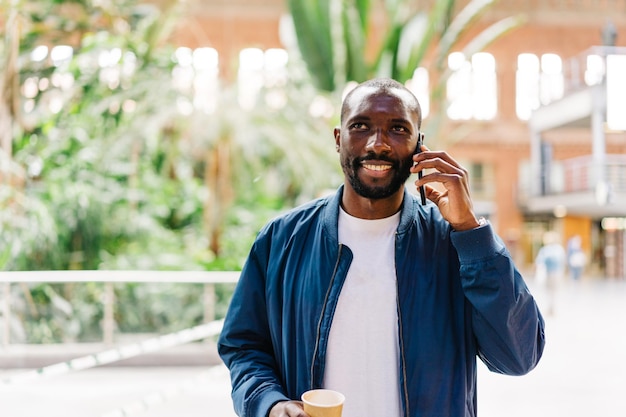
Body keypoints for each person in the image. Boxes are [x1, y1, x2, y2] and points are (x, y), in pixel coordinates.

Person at [218, 78, 545, 417]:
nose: (378, 144)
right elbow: (243, 347)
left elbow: (518, 356)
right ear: (338, 139)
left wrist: (470, 230)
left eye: (398, 129)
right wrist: (270, 404)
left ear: (420, 145)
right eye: (360, 126)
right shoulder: (282, 241)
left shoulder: (455, 245)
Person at [535, 231, 566, 315]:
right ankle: (551, 307)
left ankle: (552, 308)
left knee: (551, 291)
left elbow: (539, 261)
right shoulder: (557, 249)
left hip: (554, 273)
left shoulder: (547, 250)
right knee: (551, 291)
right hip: (553, 273)